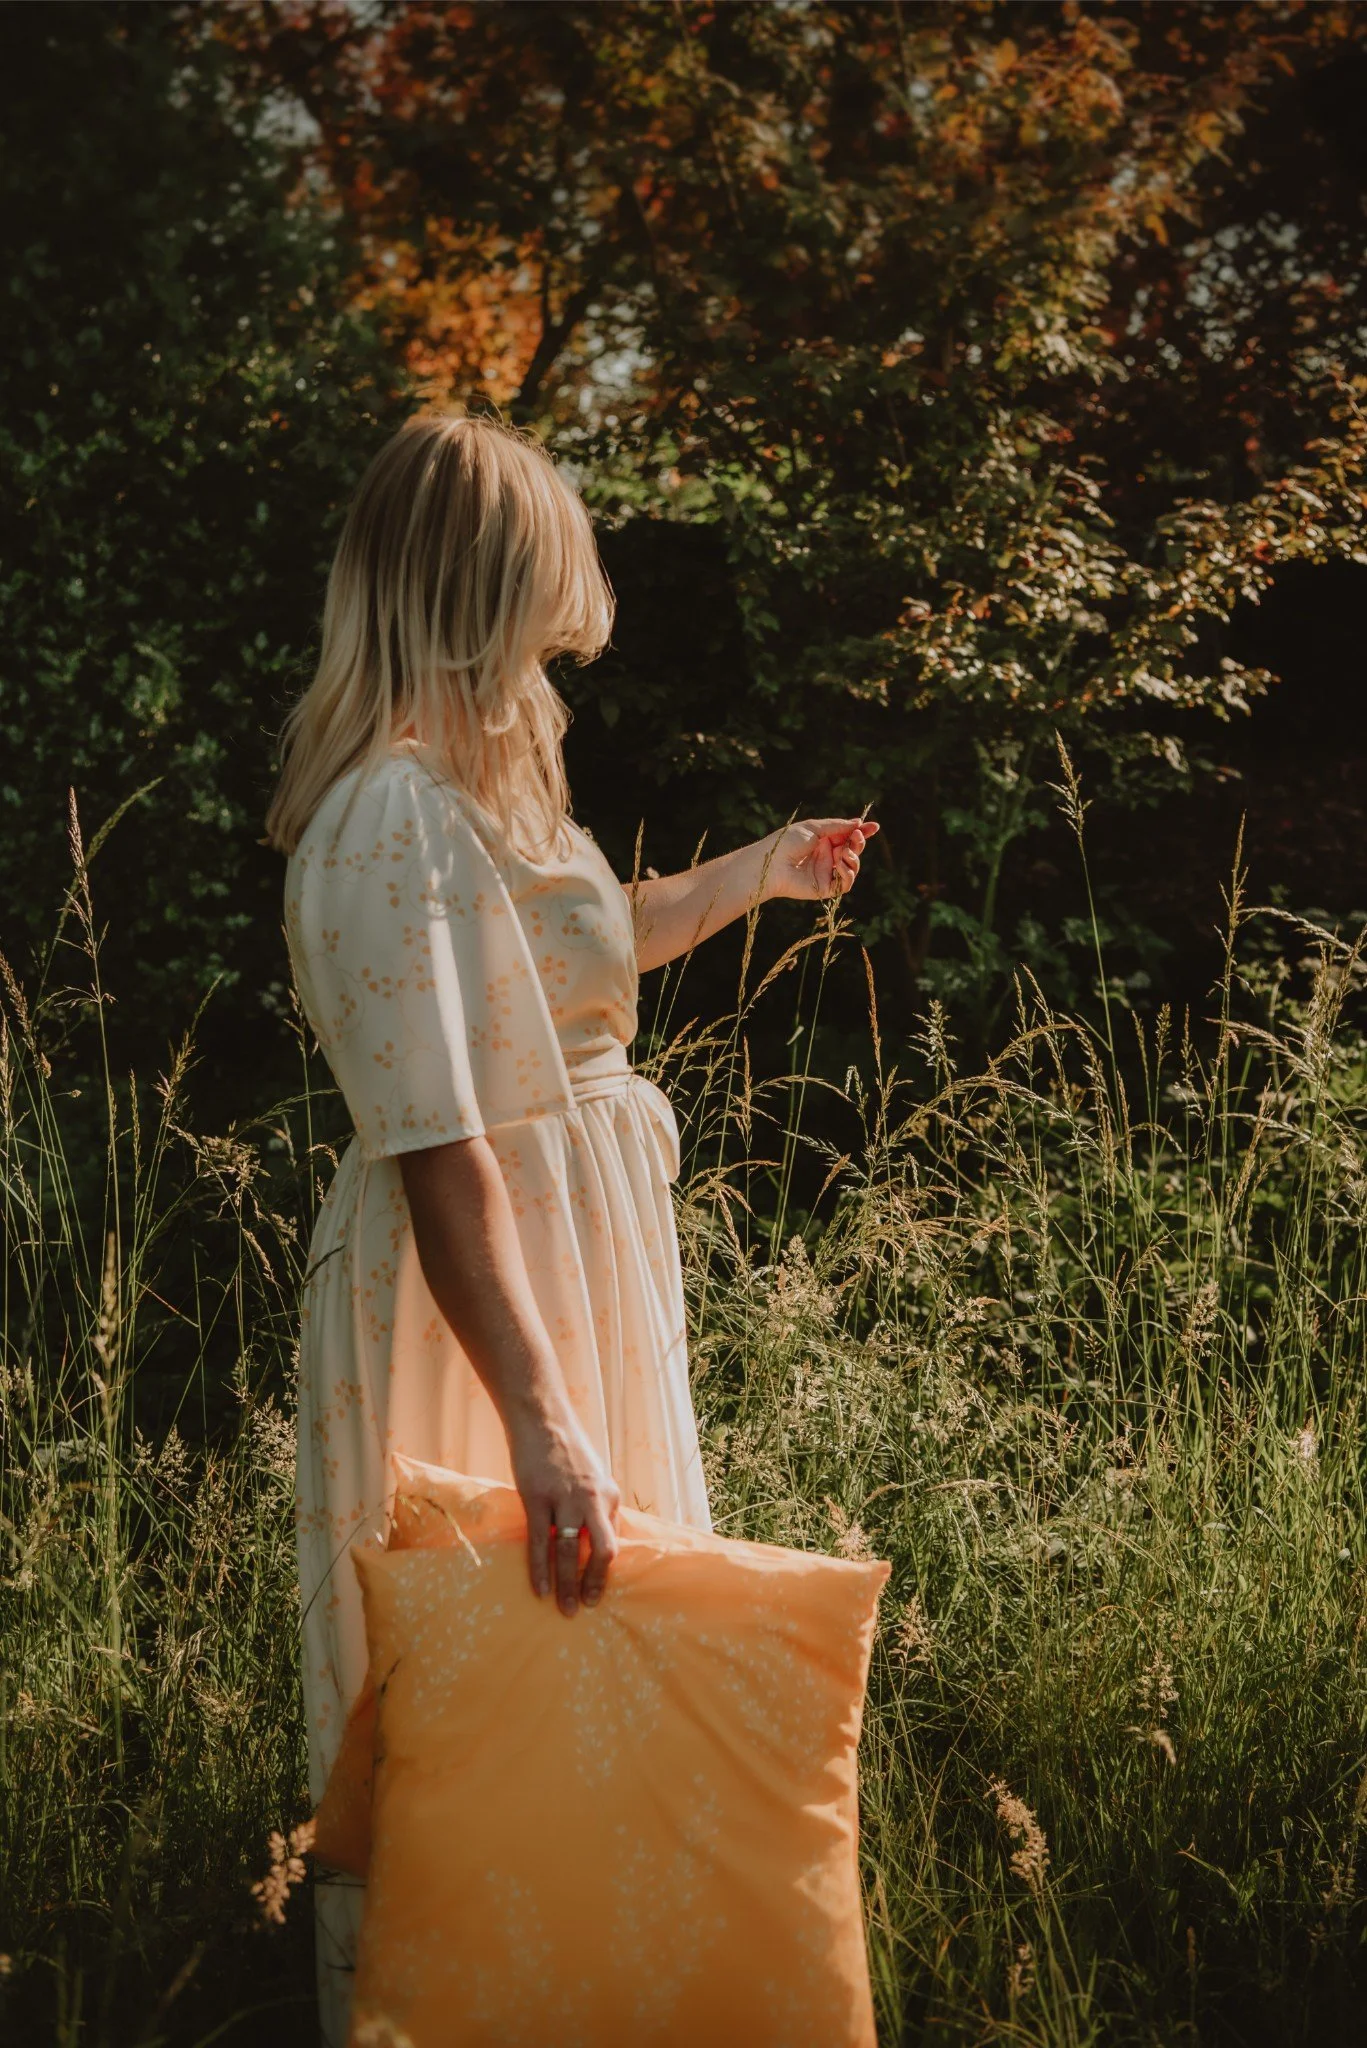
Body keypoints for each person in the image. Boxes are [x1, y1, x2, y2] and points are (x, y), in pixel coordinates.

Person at [263, 409, 878, 2046]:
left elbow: (587, 968)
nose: (559, 643)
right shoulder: (388, 815)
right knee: (489, 1689)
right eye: (538, 603)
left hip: (578, 1258)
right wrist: (539, 1419)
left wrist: (757, 873)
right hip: (484, 1289)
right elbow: (437, 1145)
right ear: (474, 591)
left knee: (594, 1667)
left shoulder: (495, 793)